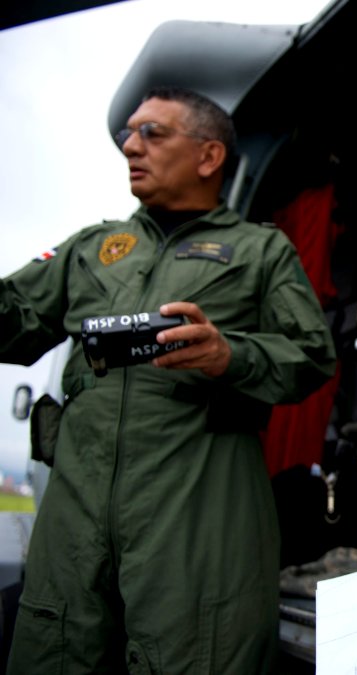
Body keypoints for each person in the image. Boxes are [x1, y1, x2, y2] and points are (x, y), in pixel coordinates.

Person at [1, 86, 337, 673]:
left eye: (153, 132)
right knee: (51, 647)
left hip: (196, 507)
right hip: (75, 504)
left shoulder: (259, 251)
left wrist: (227, 353)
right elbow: (10, 326)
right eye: (127, 134)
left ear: (209, 157)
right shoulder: (93, 247)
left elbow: (312, 357)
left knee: (197, 652)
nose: (131, 145)